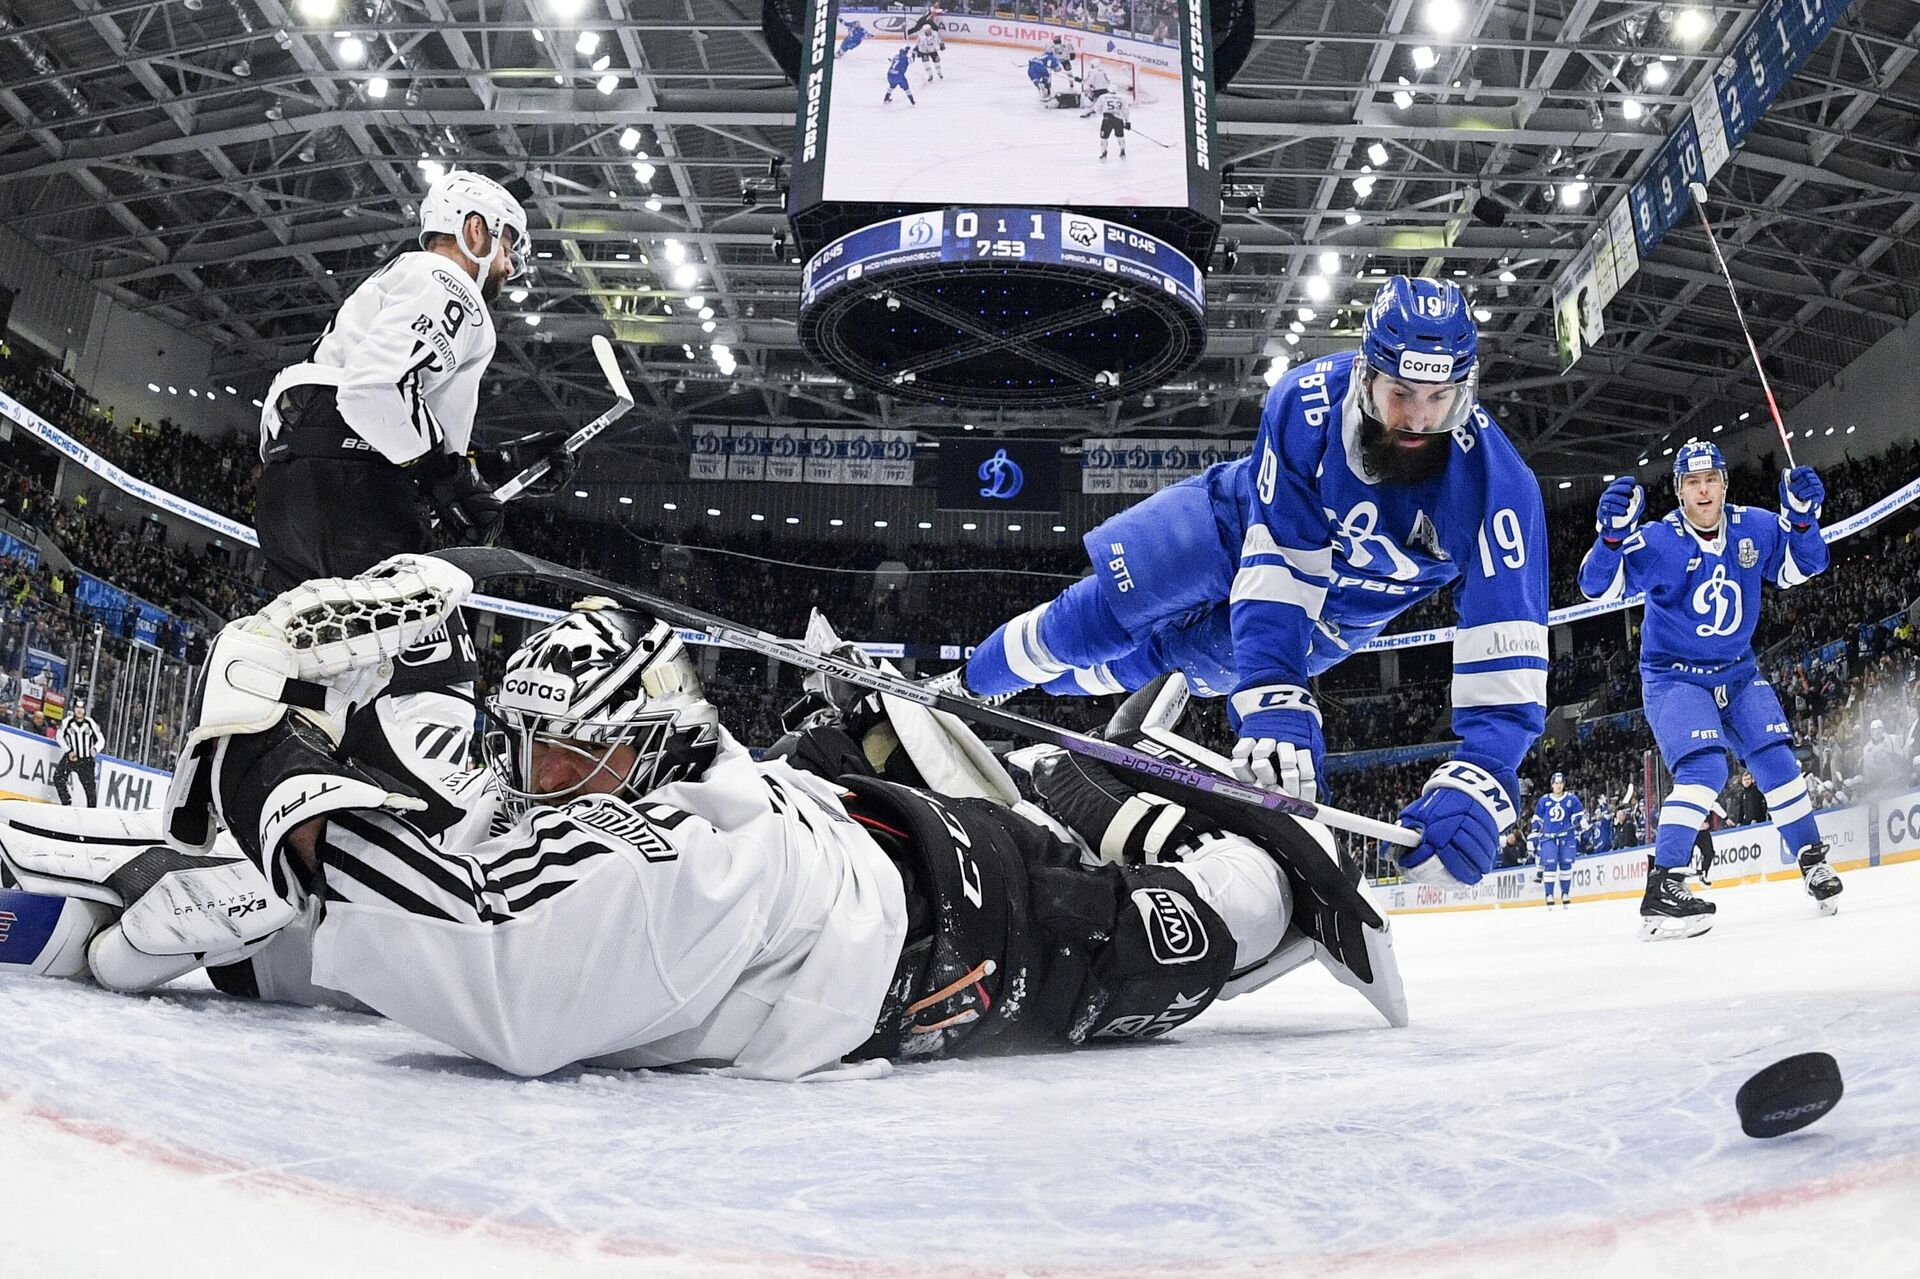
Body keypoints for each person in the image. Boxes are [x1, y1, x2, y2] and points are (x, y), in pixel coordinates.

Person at [0, 557, 1404, 1080]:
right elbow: (445, 860)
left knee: (1200, 918)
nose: (519, 780)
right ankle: (1057, 781)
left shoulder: (643, 862)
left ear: (621, 760)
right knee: (963, 761)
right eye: (521, 750)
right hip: (844, 824)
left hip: (970, 920)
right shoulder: (611, 773)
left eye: (558, 760)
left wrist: (259, 752)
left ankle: (1211, 836)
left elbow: (481, 954)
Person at [937, 278, 1550, 892]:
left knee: (1162, 662)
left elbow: (1505, 643)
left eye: (1441, 396)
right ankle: (963, 686)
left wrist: (1482, 773)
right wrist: (1278, 691)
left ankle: (1029, 692)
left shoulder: (1503, 489)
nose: (1419, 416)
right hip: (1229, 526)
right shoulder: (1306, 402)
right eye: (1402, 392)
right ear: (1366, 375)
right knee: (1095, 618)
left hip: (1332, 621)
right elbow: (1280, 571)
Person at [251, 169, 567, 801]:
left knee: (314, 682)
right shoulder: (449, 281)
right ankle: (436, 847)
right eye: (507, 246)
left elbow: (416, 431)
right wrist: (446, 475)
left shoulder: (397, 281)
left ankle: (276, 830)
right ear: (475, 231)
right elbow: (376, 395)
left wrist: (484, 471)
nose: (507, 267)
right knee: (430, 674)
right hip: (353, 492)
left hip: (293, 489)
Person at [1578, 440, 1842, 938]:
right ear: (1679, 491)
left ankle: (1811, 860)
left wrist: (1804, 519)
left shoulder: (1755, 526)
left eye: (1711, 480)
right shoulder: (1658, 541)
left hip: (1738, 670)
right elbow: (1597, 587)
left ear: (1724, 484)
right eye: (1692, 482)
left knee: (1778, 761)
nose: (1703, 490)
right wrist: (1608, 539)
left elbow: (1806, 566)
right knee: (1706, 767)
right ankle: (1663, 885)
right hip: (1674, 675)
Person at [1529, 771, 1585, 909]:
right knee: (1550, 866)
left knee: (1566, 865)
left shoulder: (1571, 799)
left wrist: (1579, 822)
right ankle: (1549, 895)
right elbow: (1537, 818)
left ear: (1563, 784)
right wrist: (1534, 832)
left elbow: (1578, 815)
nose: (1558, 786)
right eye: (1556, 783)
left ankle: (1565, 893)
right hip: (1549, 837)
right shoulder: (1544, 800)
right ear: (1552, 785)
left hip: (1567, 836)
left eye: (1560, 783)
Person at [53, 698, 101, 806]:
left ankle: (91, 813)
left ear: (84, 710)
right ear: (74, 709)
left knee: (90, 791)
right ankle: (66, 802)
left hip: (86, 761)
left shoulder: (90, 723)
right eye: (77, 707)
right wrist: (68, 750)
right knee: (58, 777)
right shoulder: (67, 722)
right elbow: (59, 737)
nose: (79, 710)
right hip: (71, 757)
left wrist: (95, 749)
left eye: (81, 708)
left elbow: (101, 739)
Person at [1096, 89, 1130, 160]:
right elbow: (1126, 110)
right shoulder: (1122, 98)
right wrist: (1127, 121)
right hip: (1118, 119)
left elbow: (1096, 108)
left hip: (1107, 119)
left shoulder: (1103, 97)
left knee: (1104, 137)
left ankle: (1104, 153)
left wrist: (1101, 113)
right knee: (1120, 136)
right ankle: (1122, 152)